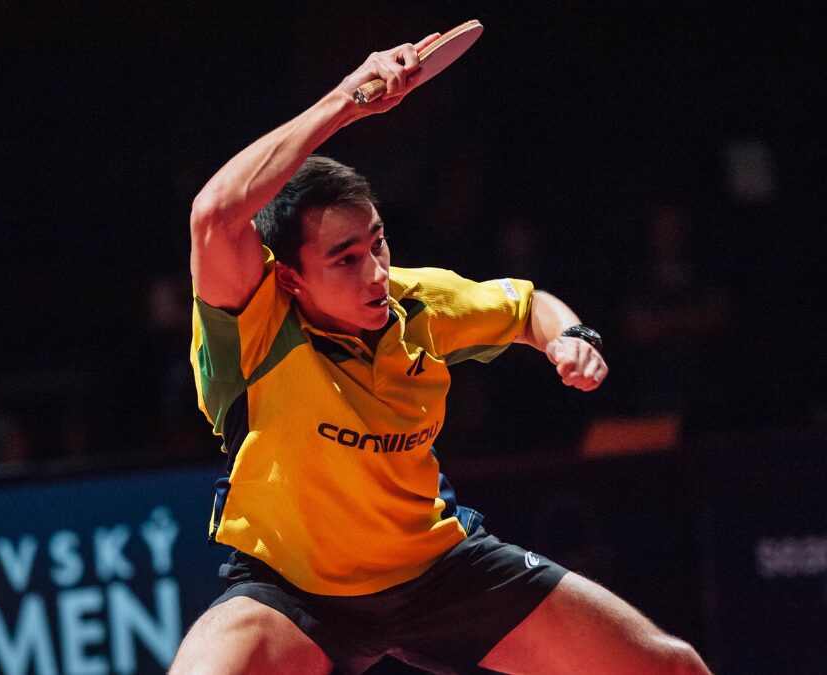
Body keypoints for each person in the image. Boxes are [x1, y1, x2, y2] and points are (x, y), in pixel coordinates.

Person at [172, 34, 711, 675]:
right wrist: (346, 104)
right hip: (292, 592)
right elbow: (213, 213)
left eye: (378, 244)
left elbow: (527, 306)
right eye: (345, 259)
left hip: (438, 574)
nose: (375, 273)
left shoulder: (419, 304)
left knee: (670, 667)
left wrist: (573, 337)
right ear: (290, 277)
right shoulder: (256, 323)